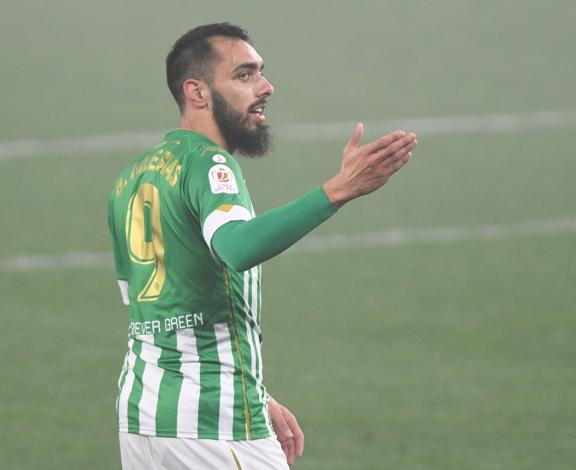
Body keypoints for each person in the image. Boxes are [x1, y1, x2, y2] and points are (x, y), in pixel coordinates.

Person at [107, 22, 416, 470]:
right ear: (197, 92)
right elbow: (237, 246)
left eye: (260, 73)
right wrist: (337, 190)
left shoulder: (130, 179)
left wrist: (255, 391)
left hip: (142, 421)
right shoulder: (209, 163)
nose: (266, 87)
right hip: (215, 425)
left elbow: (151, 308)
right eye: (244, 75)